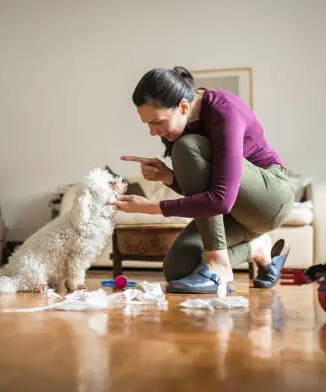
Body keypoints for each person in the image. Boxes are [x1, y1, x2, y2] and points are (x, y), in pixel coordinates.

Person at [110, 66, 294, 294]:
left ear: (183, 106)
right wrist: (169, 178)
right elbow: (202, 195)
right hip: (234, 214)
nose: (152, 132)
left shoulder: (224, 110)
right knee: (178, 269)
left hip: (269, 200)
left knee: (186, 147)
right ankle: (257, 248)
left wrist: (153, 207)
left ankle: (219, 265)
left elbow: (222, 200)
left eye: (157, 122)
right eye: (148, 124)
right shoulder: (183, 129)